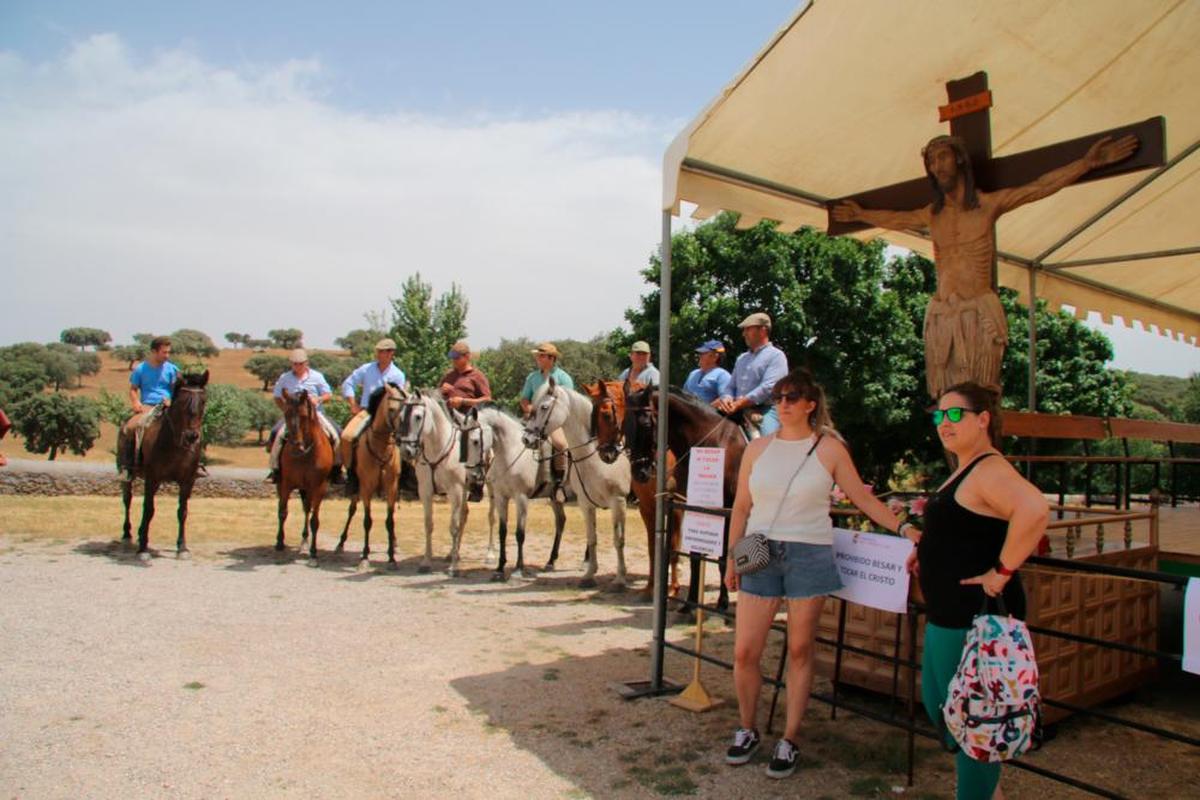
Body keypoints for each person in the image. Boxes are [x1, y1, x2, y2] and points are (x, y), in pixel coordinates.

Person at [832, 133, 1138, 398]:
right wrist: (862, 214)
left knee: (979, 396)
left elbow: (1040, 186)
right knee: (944, 397)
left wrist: (1087, 163)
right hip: (943, 315)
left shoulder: (989, 205)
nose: (937, 166)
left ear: (960, 160)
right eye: (931, 162)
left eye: (942, 157)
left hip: (978, 313)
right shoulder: (932, 214)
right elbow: (897, 219)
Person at [723, 367, 913, 779]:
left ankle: (789, 739)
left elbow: (862, 497)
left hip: (809, 550)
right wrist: (730, 558)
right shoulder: (757, 449)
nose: (783, 403)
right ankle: (747, 728)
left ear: (811, 404)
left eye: (792, 397)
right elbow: (741, 507)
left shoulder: (829, 448)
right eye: (778, 396)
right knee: (745, 651)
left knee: (800, 649)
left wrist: (904, 527)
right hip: (756, 548)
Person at [916, 382, 1048, 800]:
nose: (944, 423)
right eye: (939, 415)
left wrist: (1002, 571)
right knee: (940, 702)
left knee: (974, 720)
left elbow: (1034, 508)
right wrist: (925, 549)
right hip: (948, 612)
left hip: (975, 616)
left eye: (955, 414)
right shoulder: (966, 467)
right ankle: (990, 793)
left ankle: (978, 792)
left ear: (983, 419)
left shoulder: (989, 468)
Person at [339, 338, 407, 494]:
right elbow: (348, 383)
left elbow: (399, 398)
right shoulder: (366, 369)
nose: (379, 354)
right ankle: (351, 474)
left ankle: (404, 476)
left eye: (383, 351)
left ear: (391, 354)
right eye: (379, 351)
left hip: (388, 416)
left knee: (405, 440)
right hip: (366, 411)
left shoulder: (398, 375)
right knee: (347, 436)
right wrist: (352, 404)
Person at [266, 349, 340, 484]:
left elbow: (328, 394)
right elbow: (277, 396)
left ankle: (337, 469)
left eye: (300, 363)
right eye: (295, 364)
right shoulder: (285, 378)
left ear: (306, 363)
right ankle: (275, 469)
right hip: (293, 416)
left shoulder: (317, 376)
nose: (297, 366)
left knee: (336, 433)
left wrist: (318, 399)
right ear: (291, 364)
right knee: (276, 433)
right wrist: (286, 410)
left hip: (315, 415)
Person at [712, 312, 788, 436]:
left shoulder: (776, 356)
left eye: (748, 329)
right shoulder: (742, 358)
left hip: (766, 409)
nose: (744, 334)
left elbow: (769, 387)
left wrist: (739, 403)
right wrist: (727, 398)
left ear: (763, 331)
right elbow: (731, 386)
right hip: (737, 407)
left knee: (767, 440)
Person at [519, 342, 574, 502]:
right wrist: (529, 408)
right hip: (533, 418)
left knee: (560, 444)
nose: (537, 358)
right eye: (537, 355)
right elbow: (524, 399)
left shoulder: (563, 377)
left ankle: (559, 484)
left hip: (555, 421)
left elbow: (568, 402)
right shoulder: (532, 377)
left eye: (541, 355)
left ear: (552, 358)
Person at [118, 336, 179, 477]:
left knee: (190, 427)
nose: (167, 355)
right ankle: (128, 466)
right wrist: (136, 402)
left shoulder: (172, 369)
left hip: (168, 406)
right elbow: (133, 389)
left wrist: (171, 399)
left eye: (168, 352)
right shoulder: (141, 369)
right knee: (131, 427)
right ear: (154, 351)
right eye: (164, 352)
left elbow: (178, 389)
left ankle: (195, 464)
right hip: (147, 405)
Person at [439, 340, 493, 501]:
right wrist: (442, 392)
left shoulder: (476, 376)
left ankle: (476, 483)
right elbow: (439, 396)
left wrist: (463, 401)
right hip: (450, 418)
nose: (454, 361)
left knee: (470, 443)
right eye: (452, 358)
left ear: (467, 357)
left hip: (471, 419)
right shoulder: (449, 375)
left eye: (457, 357)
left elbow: (487, 398)